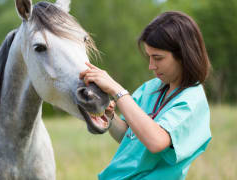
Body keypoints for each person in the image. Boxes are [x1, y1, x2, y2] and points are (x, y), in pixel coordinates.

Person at [79, 11, 212, 180]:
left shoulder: (192, 101)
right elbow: (128, 137)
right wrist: (109, 116)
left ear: (183, 55)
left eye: (158, 58)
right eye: (149, 57)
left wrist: (117, 91)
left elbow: (156, 142)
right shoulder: (152, 87)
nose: (151, 66)